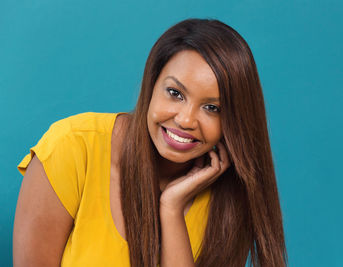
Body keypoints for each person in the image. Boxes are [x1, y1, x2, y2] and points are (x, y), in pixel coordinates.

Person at [13, 18, 287, 267]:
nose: (186, 120)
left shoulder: (229, 200)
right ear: (152, 84)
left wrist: (171, 209)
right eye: (175, 93)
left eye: (212, 108)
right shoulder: (71, 149)